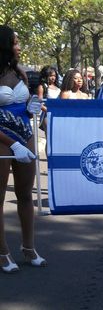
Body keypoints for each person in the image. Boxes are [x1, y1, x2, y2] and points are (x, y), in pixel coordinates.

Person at [0, 25, 46, 273]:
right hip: (2, 138)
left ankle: (29, 247)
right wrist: (11, 143)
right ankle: (2, 252)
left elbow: (26, 103)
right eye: (15, 42)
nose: (19, 46)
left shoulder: (20, 73)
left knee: (26, 194)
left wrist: (33, 106)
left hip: (24, 133)